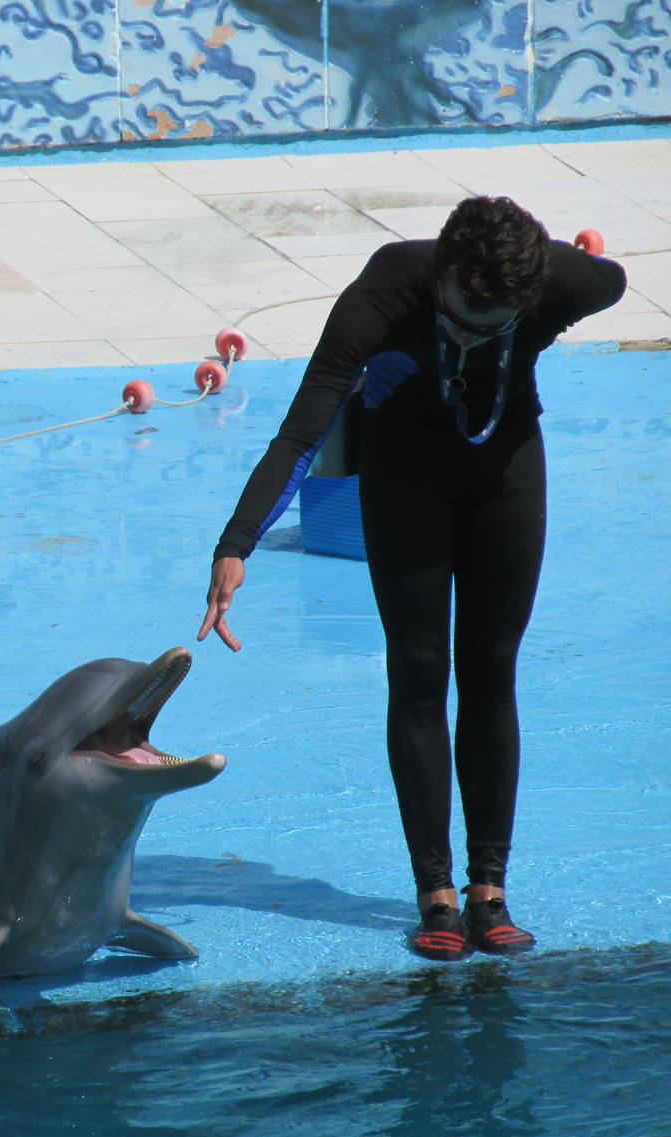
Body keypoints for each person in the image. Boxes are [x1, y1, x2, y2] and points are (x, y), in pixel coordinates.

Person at [196, 195, 626, 961]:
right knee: (421, 673)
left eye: (490, 324)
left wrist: (533, 334)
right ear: (444, 276)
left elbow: (613, 279)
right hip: (405, 476)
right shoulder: (385, 293)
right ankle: (435, 891)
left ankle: (490, 890)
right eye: (459, 316)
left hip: (506, 470)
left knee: (492, 671)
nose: (468, 334)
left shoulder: (559, 281)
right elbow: (301, 432)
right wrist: (237, 544)